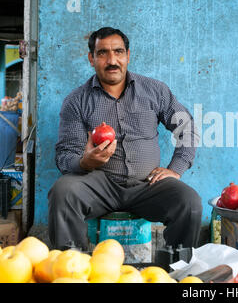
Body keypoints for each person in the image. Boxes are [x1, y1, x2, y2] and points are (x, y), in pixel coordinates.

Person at [48, 27, 202, 251]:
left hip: (149, 186)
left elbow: (186, 126)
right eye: (102, 53)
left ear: (128, 55)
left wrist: (175, 169)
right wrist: (85, 162)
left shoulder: (154, 91)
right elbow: (64, 156)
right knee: (62, 192)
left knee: (190, 203)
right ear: (91, 58)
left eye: (118, 52)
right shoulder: (76, 101)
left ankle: (177, 269)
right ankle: (73, 268)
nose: (112, 60)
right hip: (99, 185)